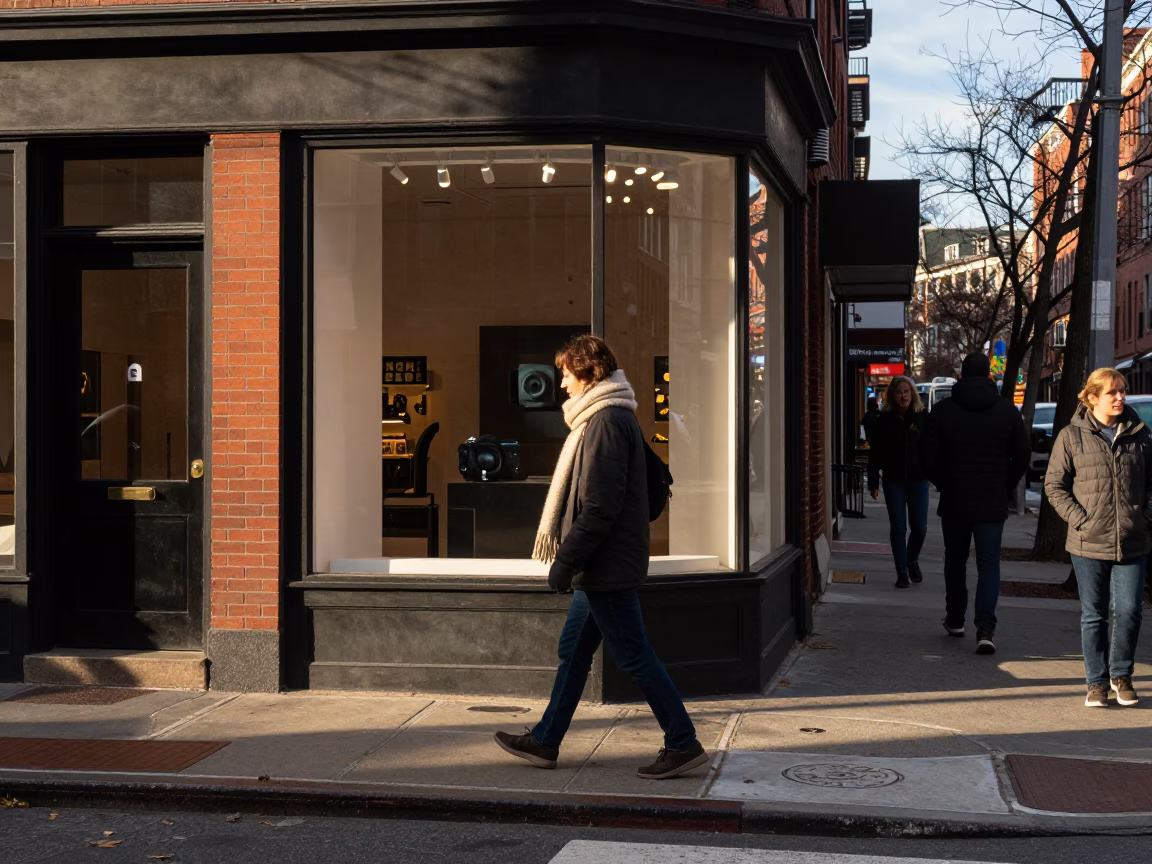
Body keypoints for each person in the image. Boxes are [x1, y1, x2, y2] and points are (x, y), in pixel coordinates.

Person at [494, 335, 707, 780]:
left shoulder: (607, 422)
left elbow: (600, 506)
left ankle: (683, 741)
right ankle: (546, 740)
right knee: (573, 652)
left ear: (589, 374)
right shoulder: (606, 417)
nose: (563, 386)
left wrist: (565, 561)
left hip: (606, 567)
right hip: (602, 566)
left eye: (567, 376)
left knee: (633, 655)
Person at [1044, 368, 1150, 708]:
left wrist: (1145, 517)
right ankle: (1097, 683)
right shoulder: (1071, 436)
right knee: (1095, 614)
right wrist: (1080, 520)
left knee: (1130, 610)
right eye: (1113, 393)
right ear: (1092, 398)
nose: (1121, 397)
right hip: (1088, 541)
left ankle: (1121, 675)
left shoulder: (1140, 434)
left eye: (1123, 391)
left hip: (1133, 540)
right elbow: (1054, 486)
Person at [922, 353, 1029, 655]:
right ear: (989, 377)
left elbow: (927, 456)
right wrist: (1002, 485)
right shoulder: (1007, 412)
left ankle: (955, 619)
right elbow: (1021, 456)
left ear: (961, 375)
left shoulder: (942, 412)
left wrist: (944, 483)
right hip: (991, 501)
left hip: (955, 499)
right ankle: (985, 628)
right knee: (988, 563)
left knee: (955, 561)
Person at [867, 376, 929, 589]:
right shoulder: (883, 421)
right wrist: (873, 482)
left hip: (918, 480)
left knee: (920, 528)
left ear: (912, 394)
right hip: (893, 481)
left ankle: (911, 560)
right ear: (892, 396)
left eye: (906, 392)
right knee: (899, 528)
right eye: (898, 392)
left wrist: (932, 472)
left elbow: (932, 449)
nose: (902, 396)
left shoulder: (922, 418)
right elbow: (875, 454)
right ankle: (902, 571)